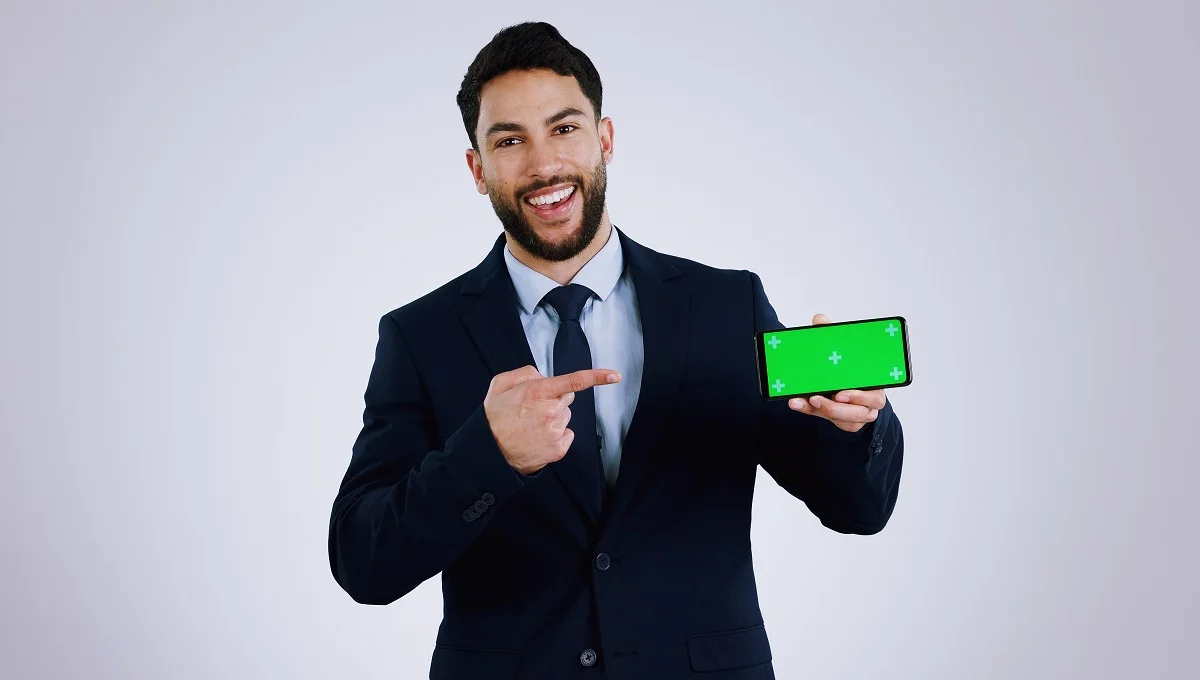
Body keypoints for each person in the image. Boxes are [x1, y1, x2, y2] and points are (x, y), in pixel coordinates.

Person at [328, 21, 904, 680]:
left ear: (604, 139)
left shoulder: (725, 306)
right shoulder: (420, 336)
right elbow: (364, 563)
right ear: (478, 169)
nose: (543, 164)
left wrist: (857, 427)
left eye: (564, 128)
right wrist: (486, 454)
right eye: (509, 140)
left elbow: (857, 509)